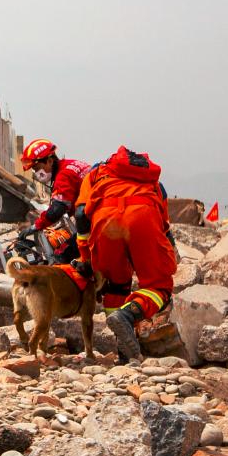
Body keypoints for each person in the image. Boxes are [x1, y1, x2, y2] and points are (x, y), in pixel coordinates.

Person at [76, 146, 179, 362]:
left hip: (106, 221)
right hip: (143, 215)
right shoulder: (152, 181)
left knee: (115, 286)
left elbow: (80, 215)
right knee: (159, 287)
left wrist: (86, 258)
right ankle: (127, 314)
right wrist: (168, 253)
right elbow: (164, 225)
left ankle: (123, 352)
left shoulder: (96, 173)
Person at [19, 138, 88, 261]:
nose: (36, 173)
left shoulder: (63, 176)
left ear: (50, 161)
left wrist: (35, 227)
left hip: (95, 222)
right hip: (97, 215)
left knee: (62, 255)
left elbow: (57, 209)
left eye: (37, 168)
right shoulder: (71, 164)